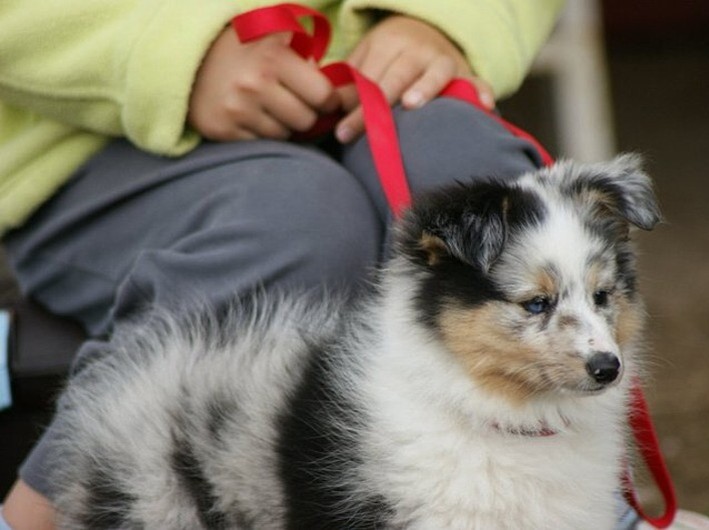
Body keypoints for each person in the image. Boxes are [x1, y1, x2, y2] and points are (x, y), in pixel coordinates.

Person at [0, 0, 578, 528]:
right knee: (296, 224)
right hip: (95, 135)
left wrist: (443, 22)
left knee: (472, 177)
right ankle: (39, 515)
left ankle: (569, 492)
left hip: (383, 84)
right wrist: (169, 57)